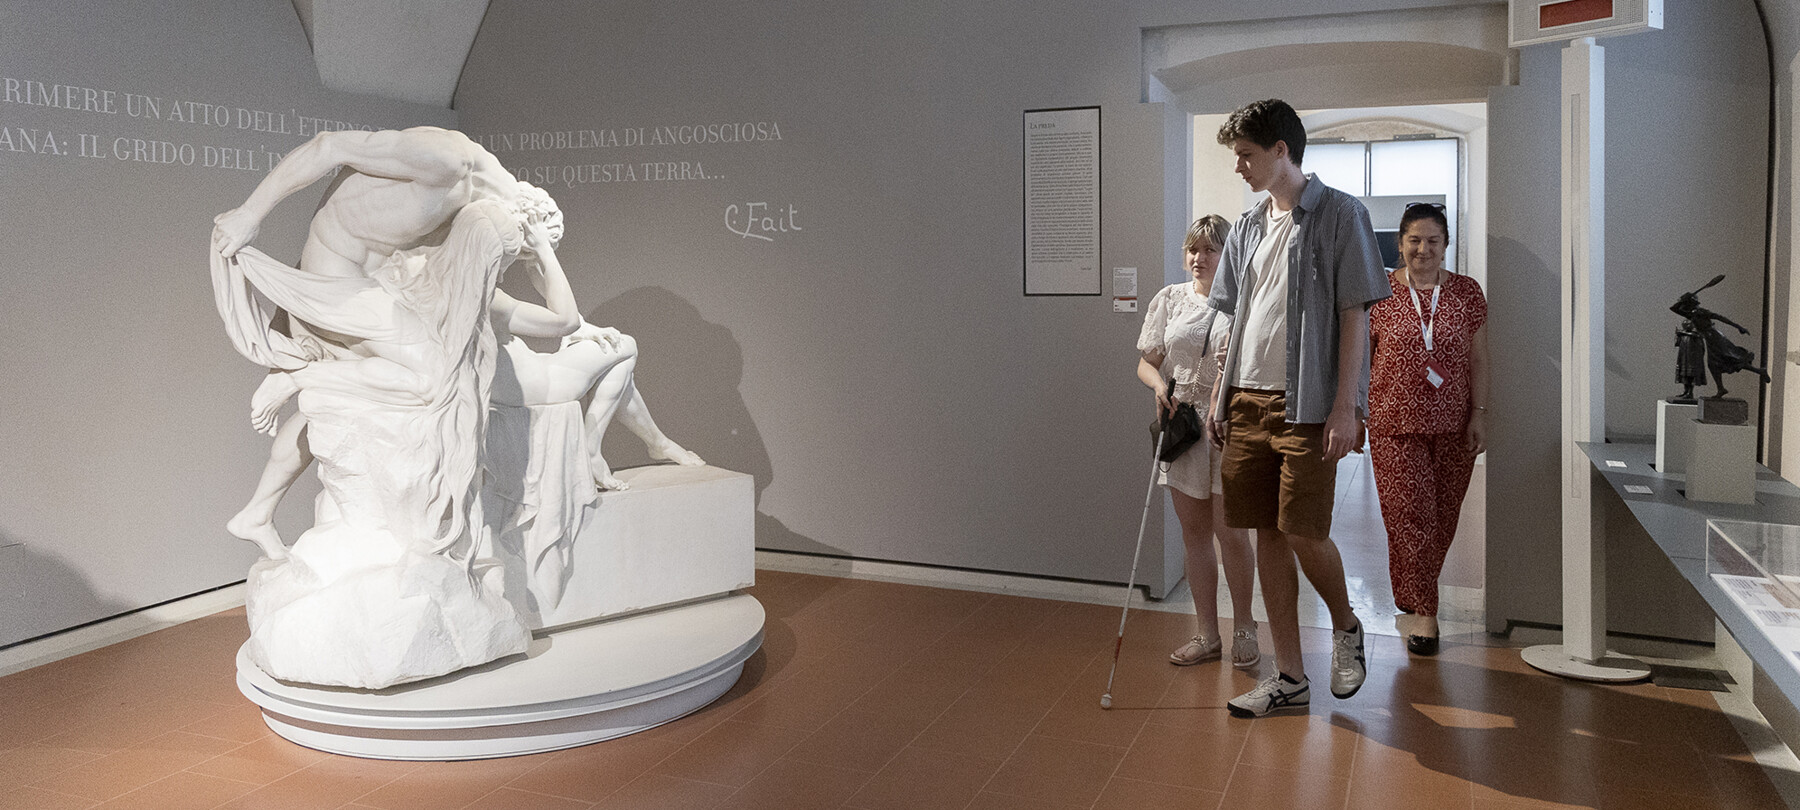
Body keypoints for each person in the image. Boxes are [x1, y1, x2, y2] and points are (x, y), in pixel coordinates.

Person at [212, 126, 570, 560]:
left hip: (374, 287)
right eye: (513, 255)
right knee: (433, 377)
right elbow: (330, 146)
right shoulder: (447, 159)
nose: (502, 268)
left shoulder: (465, 227)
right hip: (339, 274)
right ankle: (298, 378)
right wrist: (250, 214)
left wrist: (576, 320)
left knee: (359, 400)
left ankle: (258, 509)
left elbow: (557, 320)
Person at [1205, 99, 1391, 718]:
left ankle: (1346, 624)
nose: (1239, 166)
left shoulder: (1341, 214)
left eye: (1247, 154)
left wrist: (1347, 405)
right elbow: (1235, 317)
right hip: (1247, 400)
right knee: (1265, 534)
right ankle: (1289, 677)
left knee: (1303, 530)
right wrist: (1218, 390)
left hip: (1308, 406)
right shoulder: (1249, 224)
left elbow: (1355, 313)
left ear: (1281, 149)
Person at [1135, 215, 1259, 669]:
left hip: (1229, 425)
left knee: (1232, 535)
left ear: (1228, 253)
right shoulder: (1169, 299)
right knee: (1195, 536)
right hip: (1183, 426)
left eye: (1209, 249)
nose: (1199, 258)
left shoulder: (1243, 300)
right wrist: (1158, 385)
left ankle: (1244, 626)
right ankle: (1207, 632)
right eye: (1193, 249)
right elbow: (1148, 362)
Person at [1367, 203, 1488, 656]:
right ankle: (1426, 614)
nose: (1423, 249)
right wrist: (1351, 411)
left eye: (1433, 241)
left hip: (1455, 424)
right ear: (1400, 243)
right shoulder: (1377, 291)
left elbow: (1479, 359)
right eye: (1414, 240)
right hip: (1393, 423)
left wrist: (1480, 413)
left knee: (1442, 519)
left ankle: (1412, 591)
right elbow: (1360, 359)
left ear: (1445, 245)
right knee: (1411, 516)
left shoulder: (1467, 293)